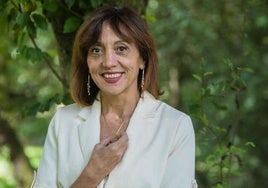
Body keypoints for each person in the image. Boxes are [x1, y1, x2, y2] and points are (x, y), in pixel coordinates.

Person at [32, 6, 197, 188]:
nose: (109, 62)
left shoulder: (175, 126)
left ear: (142, 59)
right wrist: (92, 174)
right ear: (86, 61)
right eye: (96, 50)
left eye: (121, 48)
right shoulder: (63, 122)